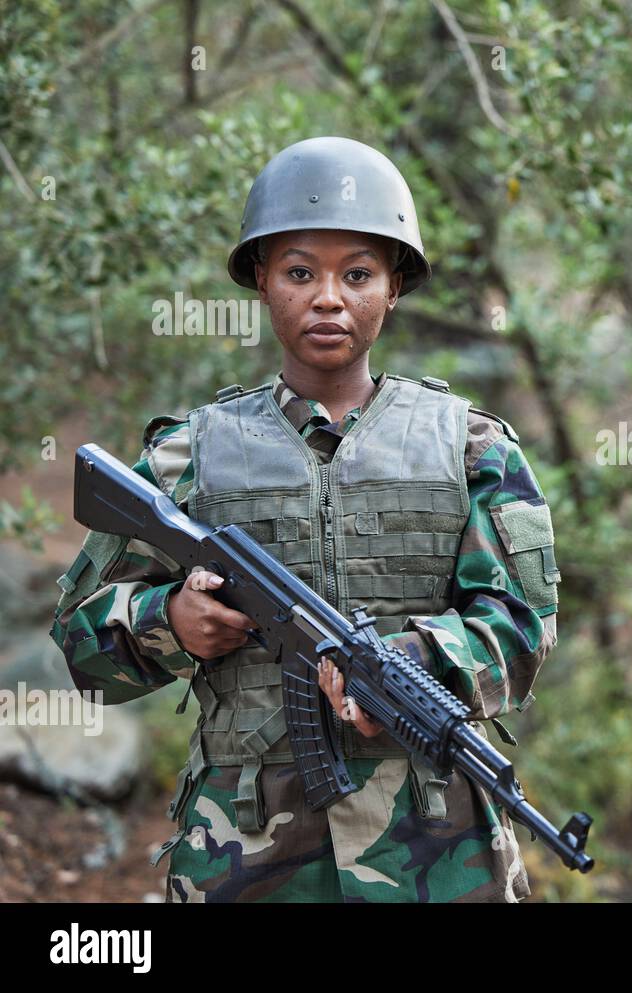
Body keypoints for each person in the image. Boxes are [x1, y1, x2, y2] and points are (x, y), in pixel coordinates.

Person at [50, 136, 561, 903]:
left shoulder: (473, 447)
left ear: (394, 287)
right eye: (299, 272)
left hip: (438, 844)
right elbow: (78, 642)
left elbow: (525, 625)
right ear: (261, 280)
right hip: (245, 851)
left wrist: (418, 658)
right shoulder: (187, 455)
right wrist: (169, 620)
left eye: (357, 273)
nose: (328, 297)